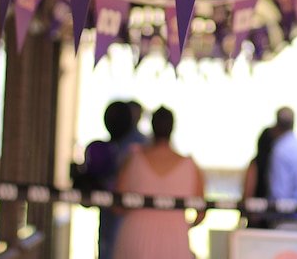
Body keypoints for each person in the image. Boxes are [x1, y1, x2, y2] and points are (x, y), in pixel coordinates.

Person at [113, 106, 205, 259]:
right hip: (175, 239)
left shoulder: (133, 159)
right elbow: (201, 212)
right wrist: (179, 225)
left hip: (137, 235)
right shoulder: (190, 166)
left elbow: (117, 205)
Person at [71, 101, 134, 259]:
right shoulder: (102, 149)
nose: (112, 122)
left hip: (131, 231)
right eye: (109, 118)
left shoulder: (138, 149)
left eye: (117, 118)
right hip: (108, 228)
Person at [242, 126, 275, 228]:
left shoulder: (256, 163)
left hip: (256, 216)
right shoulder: (274, 163)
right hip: (270, 216)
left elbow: (248, 191)